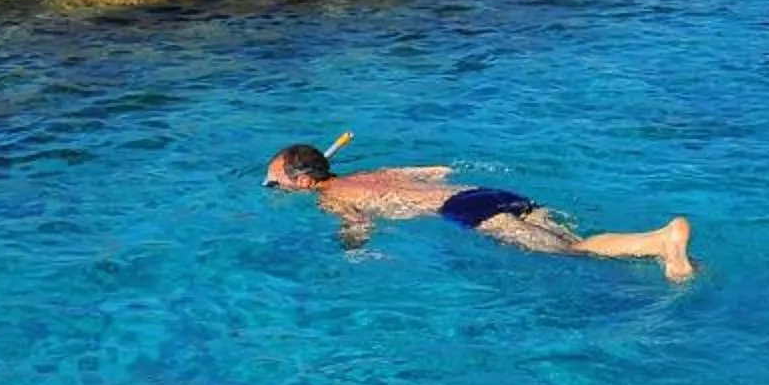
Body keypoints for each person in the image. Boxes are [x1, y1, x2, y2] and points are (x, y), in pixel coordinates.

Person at [263, 142, 695, 281]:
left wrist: (352, 251)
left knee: (574, 251)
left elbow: (357, 224)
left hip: (463, 209)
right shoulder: (376, 171)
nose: (273, 186)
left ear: (303, 181)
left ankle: (661, 241)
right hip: (486, 191)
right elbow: (437, 170)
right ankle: (659, 245)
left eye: (276, 180)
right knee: (568, 238)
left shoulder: (330, 196)